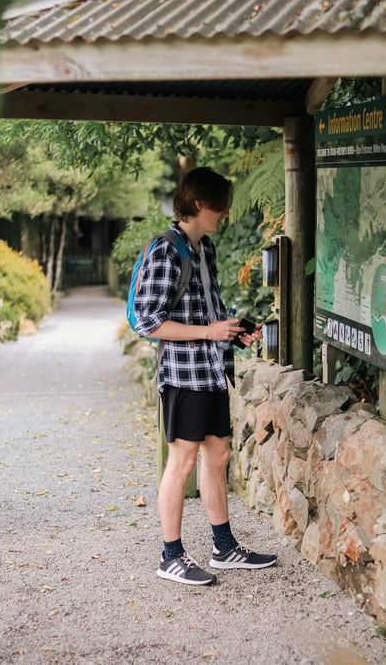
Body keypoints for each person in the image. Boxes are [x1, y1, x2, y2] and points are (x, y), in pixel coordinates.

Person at [132, 166, 278, 585]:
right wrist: (209, 332)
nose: (226, 214)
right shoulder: (165, 251)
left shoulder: (205, 248)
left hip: (212, 372)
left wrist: (233, 331)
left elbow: (207, 312)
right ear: (198, 205)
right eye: (221, 207)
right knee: (182, 462)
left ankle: (224, 548)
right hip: (183, 376)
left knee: (219, 454)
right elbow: (147, 323)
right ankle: (170, 556)